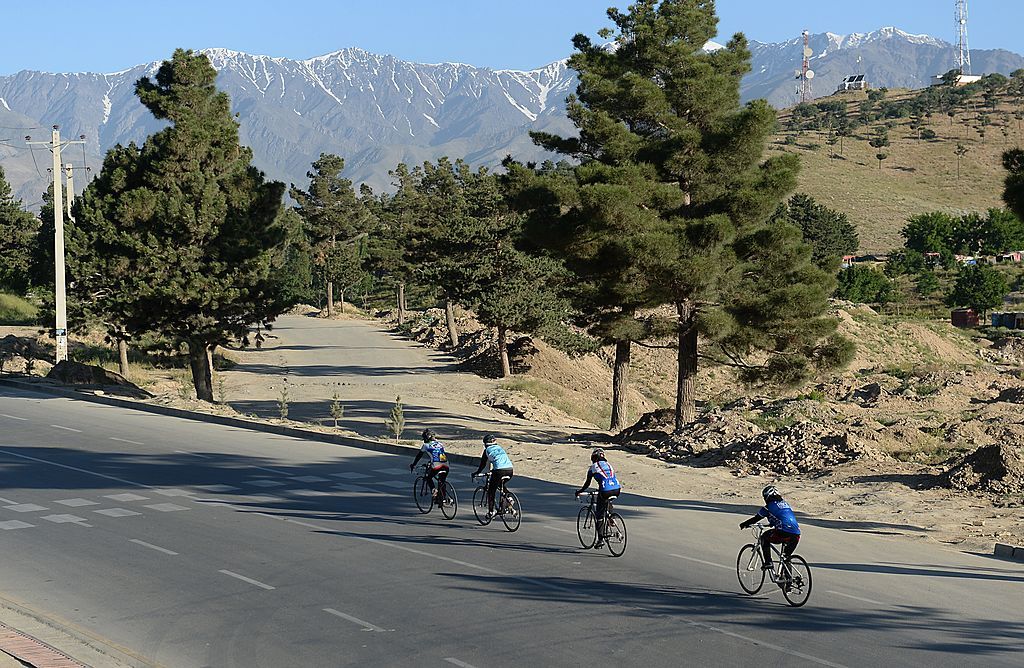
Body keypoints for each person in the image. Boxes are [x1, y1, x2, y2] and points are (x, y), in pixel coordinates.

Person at [739, 485, 801, 573]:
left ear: (767, 497)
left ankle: (768, 562)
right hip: (796, 534)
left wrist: (744, 524)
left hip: (783, 532)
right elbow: (781, 516)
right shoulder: (785, 504)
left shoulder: (767, 507)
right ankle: (788, 582)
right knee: (786, 558)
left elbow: (756, 518)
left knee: (764, 538)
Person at [575, 448, 622, 548]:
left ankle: (600, 540)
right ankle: (611, 518)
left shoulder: (593, 467)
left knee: (599, 516)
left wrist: (579, 492)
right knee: (607, 501)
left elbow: (587, 484)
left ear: (593, 458)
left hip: (605, 490)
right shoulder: (609, 465)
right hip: (617, 489)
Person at [471, 434, 513, 520]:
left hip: (499, 471)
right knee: (500, 484)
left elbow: (482, 465)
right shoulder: (500, 448)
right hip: (510, 470)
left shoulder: (487, 450)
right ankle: (509, 497)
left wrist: (477, 473)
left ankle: (490, 512)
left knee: (491, 491)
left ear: (486, 444)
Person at [410, 429, 449, 501]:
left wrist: (413, 464)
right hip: (446, 465)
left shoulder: (426, 445)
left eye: (424, 438)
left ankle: (434, 490)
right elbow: (438, 454)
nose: (423, 440)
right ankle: (443, 499)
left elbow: (419, 456)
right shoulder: (440, 444)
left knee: (428, 477)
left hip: (436, 465)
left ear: (427, 438)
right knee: (442, 481)